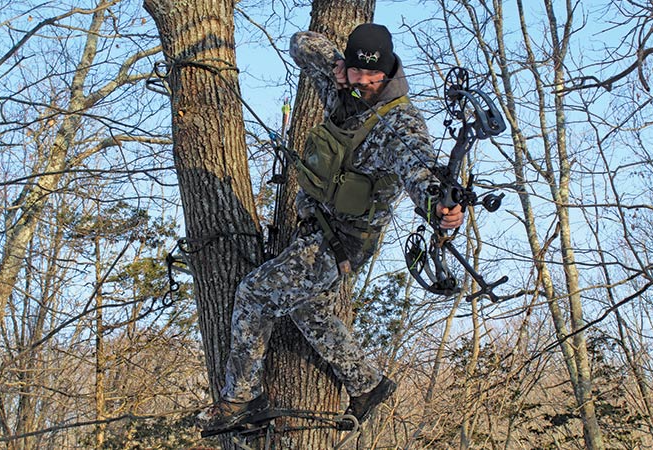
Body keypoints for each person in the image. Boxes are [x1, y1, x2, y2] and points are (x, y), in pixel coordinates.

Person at [197, 23, 464, 431]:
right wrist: (335, 64)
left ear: (389, 70)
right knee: (310, 308)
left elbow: (422, 173)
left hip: (344, 241)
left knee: (254, 293)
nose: (364, 82)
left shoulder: (402, 125)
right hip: (315, 227)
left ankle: (241, 401)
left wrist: (442, 210)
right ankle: (366, 383)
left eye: (372, 76)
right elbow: (300, 42)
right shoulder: (341, 82)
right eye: (357, 73)